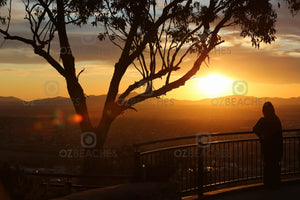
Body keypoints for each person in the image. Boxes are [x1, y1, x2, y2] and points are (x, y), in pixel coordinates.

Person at [253, 102, 283, 190]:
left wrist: (261, 136)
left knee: (268, 166)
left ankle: (269, 184)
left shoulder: (264, 121)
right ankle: (275, 184)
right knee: (275, 166)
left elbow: (255, 129)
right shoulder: (276, 120)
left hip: (267, 149)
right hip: (276, 149)